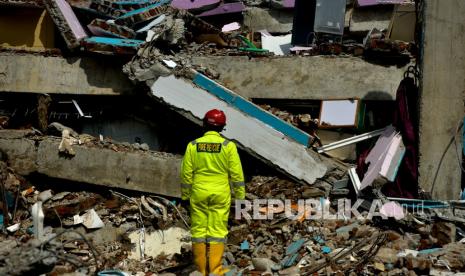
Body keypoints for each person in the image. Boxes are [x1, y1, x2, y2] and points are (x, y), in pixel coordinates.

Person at [180, 109, 245, 276]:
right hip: (220, 193)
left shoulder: (193, 145)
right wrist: (240, 197)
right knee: (217, 232)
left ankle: (201, 270)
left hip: (199, 193)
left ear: (204, 124)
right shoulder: (228, 146)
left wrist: (185, 196)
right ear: (223, 127)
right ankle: (215, 271)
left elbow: (186, 174)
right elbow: (237, 174)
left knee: (199, 232)